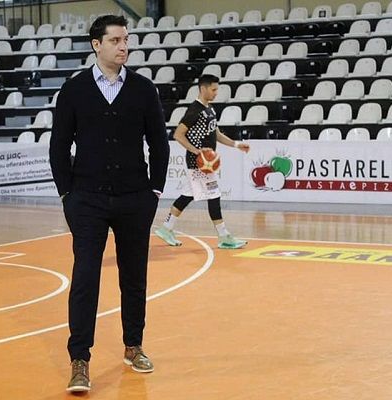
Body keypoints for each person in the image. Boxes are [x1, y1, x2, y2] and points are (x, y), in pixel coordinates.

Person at [49, 15, 169, 393]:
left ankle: (133, 346)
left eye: (126, 40)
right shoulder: (74, 90)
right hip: (87, 199)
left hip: (135, 198)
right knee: (85, 277)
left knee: (134, 277)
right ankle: (80, 360)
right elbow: (58, 146)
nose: (124, 46)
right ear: (96, 45)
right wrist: (67, 194)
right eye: (116, 40)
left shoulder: (144, 89)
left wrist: (155, 191)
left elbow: (159, 144)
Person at [155, 74, 250, 249]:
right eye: (213, 89)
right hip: (199, 163)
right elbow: (178, 135)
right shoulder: (195, 110)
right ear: (203, 88)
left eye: (217, 89)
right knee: (214, 196)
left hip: (205, 163)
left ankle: (166, 228)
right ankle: (224, 236)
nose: (216, 93)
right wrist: (197, 151)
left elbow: (217, 134)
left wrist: (237, 144)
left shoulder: (210, 109)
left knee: (188, 195)